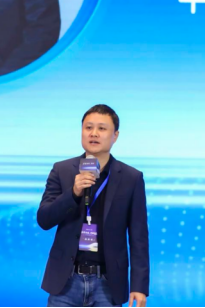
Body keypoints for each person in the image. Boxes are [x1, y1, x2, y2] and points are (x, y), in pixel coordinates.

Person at [38, 105, 149, 307]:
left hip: (107, 283)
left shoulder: (131, 178)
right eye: (88, 127)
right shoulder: (62, 170)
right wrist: (73, 193)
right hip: (65, 282)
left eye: (102, 128)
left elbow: (138, 236)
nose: (94, 133)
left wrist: (139, 286)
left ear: (115, 136)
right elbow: (44, 219)